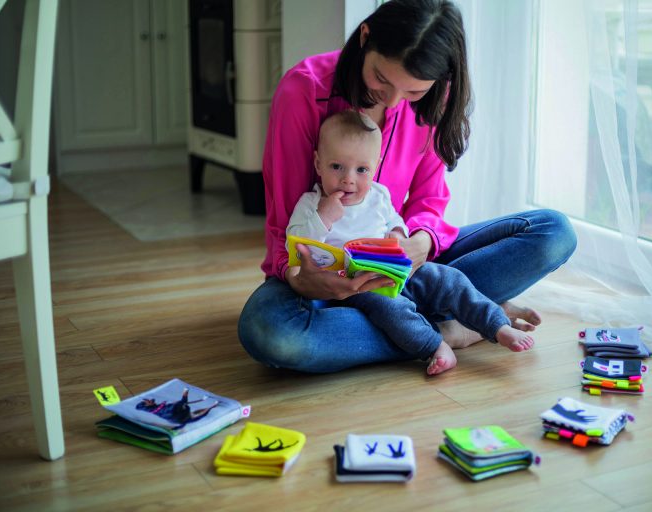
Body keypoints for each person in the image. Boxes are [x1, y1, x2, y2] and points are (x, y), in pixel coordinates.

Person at [238, 0, 577, 373]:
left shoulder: (435, 96)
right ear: (365, 37)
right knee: (270, 332)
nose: (394, 100)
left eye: (413, 92)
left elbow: (429, 200)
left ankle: (427, 321)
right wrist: (302, 280)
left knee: (553, 232)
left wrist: (419, 243)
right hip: (324, 281)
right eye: (382, 79)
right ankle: (452, 327)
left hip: (406, 268)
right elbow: (284, 223)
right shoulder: (304, 91)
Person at [288, 109, 534, 376]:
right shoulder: (311, 204)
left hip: (396, 270)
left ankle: (497, 325)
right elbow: (299, 245)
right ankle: (434, 345)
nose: (349, 179)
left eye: (361, 169)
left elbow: (395, 219)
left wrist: (398, 234)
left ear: (375, 166)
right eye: (337, 167)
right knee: (393, 309)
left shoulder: (378, 195)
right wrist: (323, 218)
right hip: (358, 287)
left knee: (449, 279)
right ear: (318, 164)